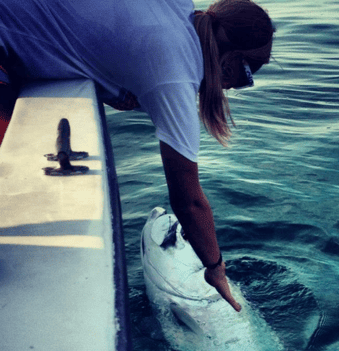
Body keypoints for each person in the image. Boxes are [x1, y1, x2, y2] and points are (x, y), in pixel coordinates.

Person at [0, 0, 274, 312]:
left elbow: (115, 29)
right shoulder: (175, 74)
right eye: (247, 77)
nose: (235, 89)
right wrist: (216, 269)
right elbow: (188, 200)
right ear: (231, 63)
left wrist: (111, 83)